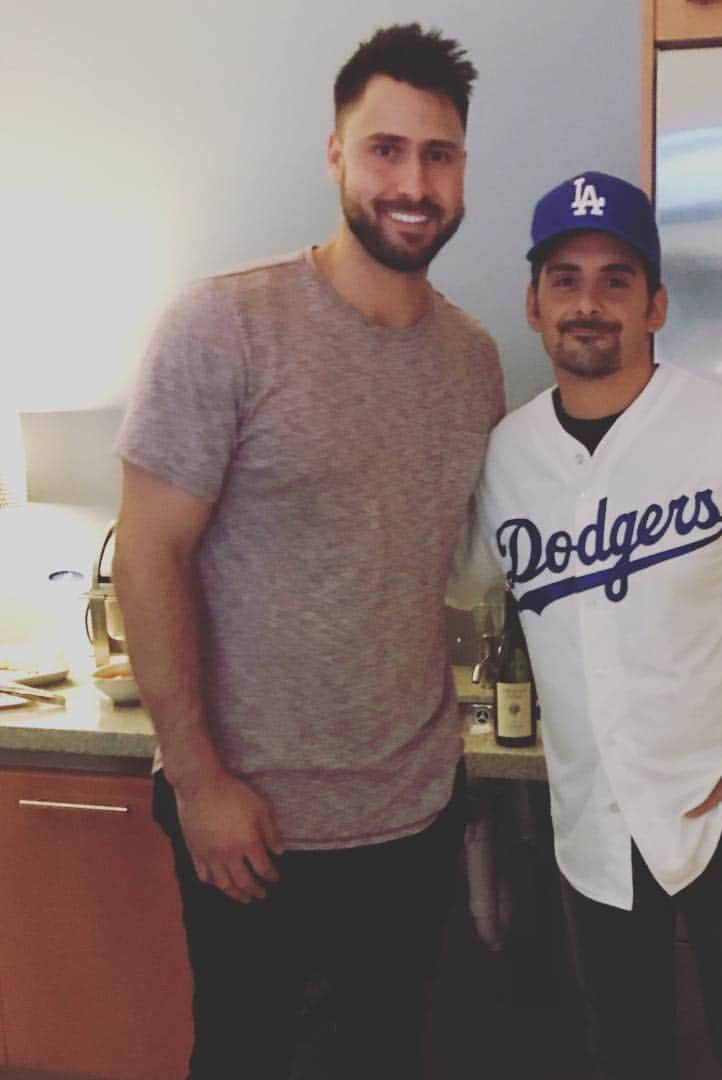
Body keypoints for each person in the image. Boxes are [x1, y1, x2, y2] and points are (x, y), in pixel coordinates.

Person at [112, 23, 504, 1080]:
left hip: (414, 814)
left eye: (438, 154)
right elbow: (148, 557)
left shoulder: (472, 361)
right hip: (255, 823)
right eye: (386, 149)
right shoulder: (225, 328)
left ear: (464, 167)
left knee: (391, 1060)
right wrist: (196, 781)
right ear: (336, 153)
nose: (412, 182)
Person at [469, 172, 722, 1080]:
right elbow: (462, 587)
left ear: (656, 304)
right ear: (532, 303)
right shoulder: (505, 455)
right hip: (592, 816)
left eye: (615, 279)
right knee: (621, 1050)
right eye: (565, 278)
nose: (588, 303)